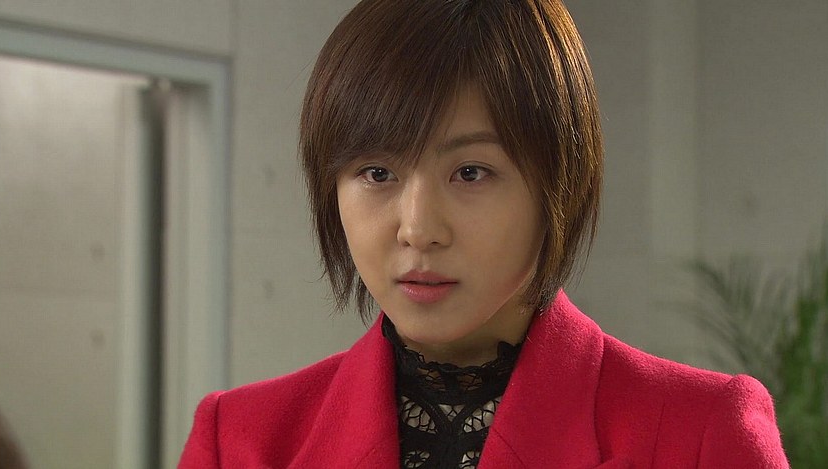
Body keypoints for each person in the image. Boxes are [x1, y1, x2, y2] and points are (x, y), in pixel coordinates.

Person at [179, 0, 789, 467]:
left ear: (559, 182)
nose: (418, 229)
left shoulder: (699, 431)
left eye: (471, 172)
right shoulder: (240, 439)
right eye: (377, 173)